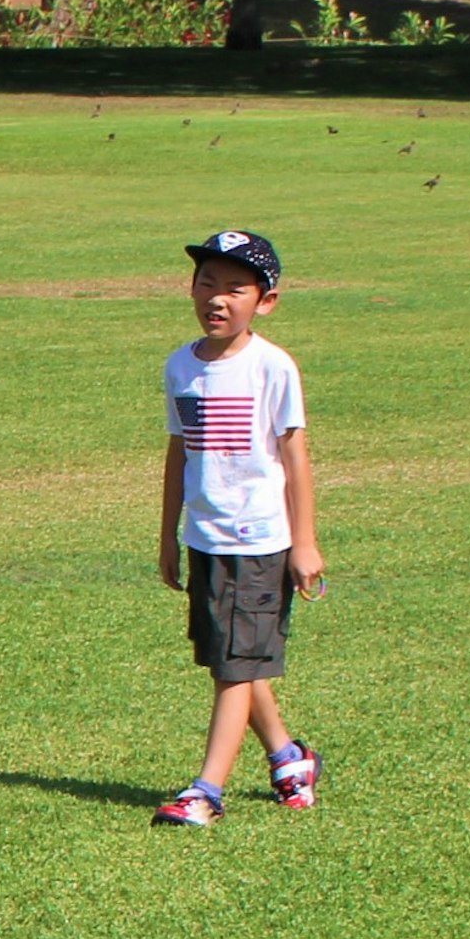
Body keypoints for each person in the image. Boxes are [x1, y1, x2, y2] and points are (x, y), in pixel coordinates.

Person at [155, 230, 325, 826]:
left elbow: (295, 456)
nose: (217, 300)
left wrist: (303, 542)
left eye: (235, 289)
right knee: (233, 659)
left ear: (266, 301)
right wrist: (169, 535)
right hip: (205, 537)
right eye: (207, 285)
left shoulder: (272, 367)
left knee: (234, 668)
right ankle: (288, 758)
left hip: (260, 541)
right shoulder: (180, 366)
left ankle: (207, 791)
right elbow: (180, 453)